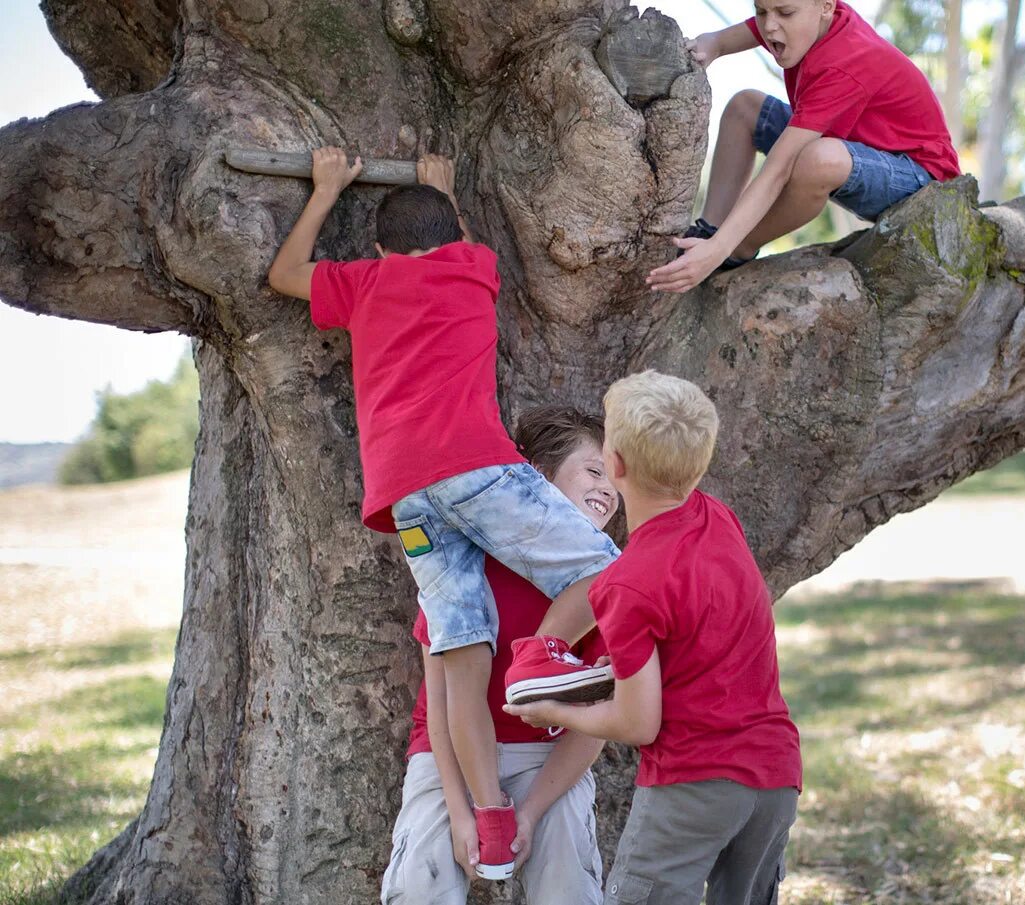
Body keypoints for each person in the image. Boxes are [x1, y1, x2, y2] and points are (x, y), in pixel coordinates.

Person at [266, 149, 617, 879]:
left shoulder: (363, 283)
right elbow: (450, 236)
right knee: (612, 571)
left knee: (461, 648)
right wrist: (442, 188)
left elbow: (283, 274)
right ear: (454, 234)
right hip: (473, 467)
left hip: (404, 495)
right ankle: (545, 655)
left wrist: (326, 189)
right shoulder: (474, 268)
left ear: (380, 249)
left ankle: (489, 821)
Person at [508, 371, 802, 905]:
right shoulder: (719, 519)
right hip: (777, 777)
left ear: (615, 466)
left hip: (693, 782)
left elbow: (637, 721)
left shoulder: (627, 583)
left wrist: (555, 710)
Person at [382, 405, 617, 904]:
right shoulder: (462, 566)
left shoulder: (602, 587)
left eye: (616, 479)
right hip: (449, 755)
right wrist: (463, 809)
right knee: (421, 884)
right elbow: (440, 708)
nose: (609, 489)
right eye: (595, 471)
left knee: (568, 882)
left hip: (549, 758)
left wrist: (530, 811)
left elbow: (596, 725)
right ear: (532, 481)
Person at [647, 0, 959, 293]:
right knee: (745, 107)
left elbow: (778, 171)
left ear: (826, 6)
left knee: (816, 159)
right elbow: (723, 39)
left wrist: (722, 248)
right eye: (761, 10)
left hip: (919, 178)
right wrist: (707, 46)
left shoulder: (845, 62)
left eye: (784, 12)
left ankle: (734, 249)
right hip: (859, 150)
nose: (769, 26)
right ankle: (707, 231)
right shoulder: (804, 19)